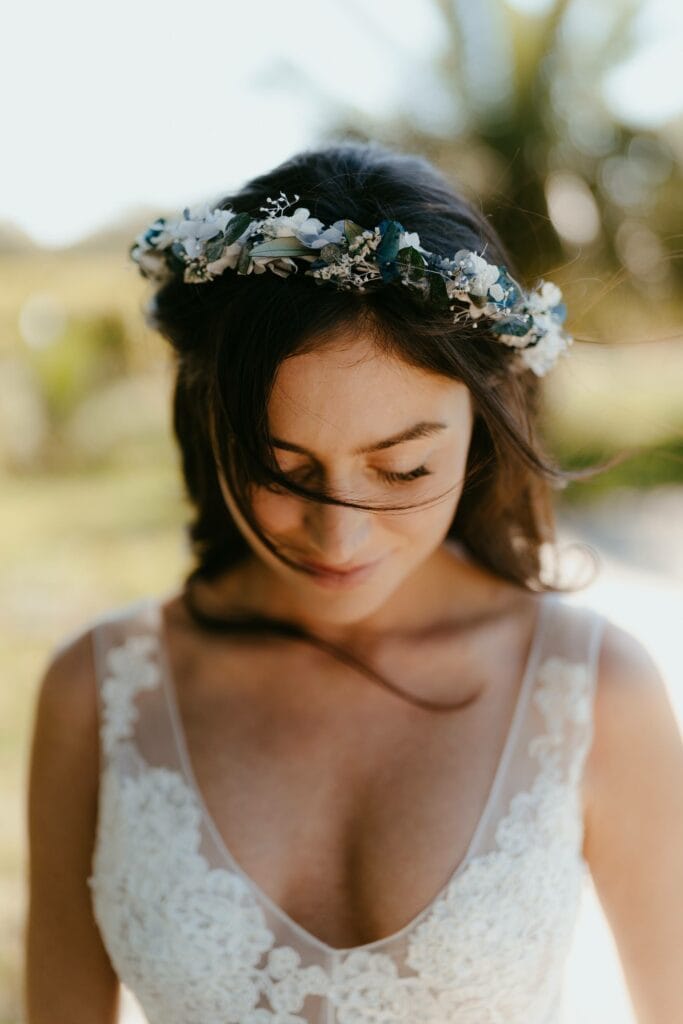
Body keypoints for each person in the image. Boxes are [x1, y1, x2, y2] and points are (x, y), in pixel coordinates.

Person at [25, 141, 683, 1024]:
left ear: (482, 429)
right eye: (281, 468)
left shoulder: (593, 690)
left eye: (404, 470)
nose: (339, 534)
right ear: (210, 422)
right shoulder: (100, 692)